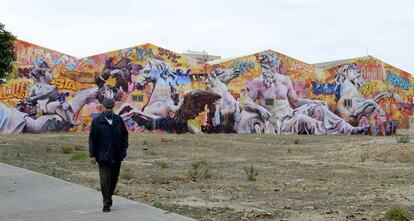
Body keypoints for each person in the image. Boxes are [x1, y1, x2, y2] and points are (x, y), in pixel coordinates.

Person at [244, 52, 368, 135]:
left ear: (274, 66)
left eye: (268, 65)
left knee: (319, 108)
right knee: (303, 119)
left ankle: (348, 129)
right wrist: (259, 108)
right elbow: (247, 102)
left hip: (290, 114)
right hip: (278, 122)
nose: (265, 69)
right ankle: (331, 132)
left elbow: (296, 102)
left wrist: (314, 101)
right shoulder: (258, 82)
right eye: (263, 66)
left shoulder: (285, 81)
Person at [89, 98, 128, 212]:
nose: (109, 110)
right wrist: (92, 155)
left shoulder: (118, 120)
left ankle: (108, 197)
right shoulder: (96, 122)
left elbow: (125, 135)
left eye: (111, 108)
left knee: (114, 179)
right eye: (107, 108)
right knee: (105, 180)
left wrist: (123, 149)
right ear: (102, 108)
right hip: (103, 156)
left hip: (117, 156)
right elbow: (92, 139)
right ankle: (106, 203)